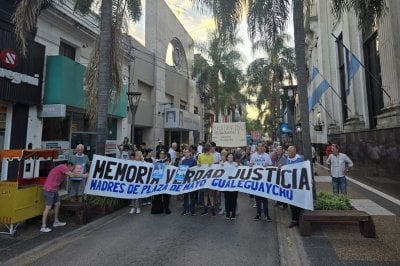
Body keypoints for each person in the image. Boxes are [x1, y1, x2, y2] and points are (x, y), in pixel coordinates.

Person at [40, 161, 88, 233]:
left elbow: (72, 174)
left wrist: (81, 174)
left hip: (54, 189)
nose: (72, 169)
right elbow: (72, 175)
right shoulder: (63, 167)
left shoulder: (64, 168)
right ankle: (43, 226)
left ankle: (56, 222)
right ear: (69, 165)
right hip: (49, 189)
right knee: (48, 207)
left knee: (57, 204)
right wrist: (83, 175)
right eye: (72, 168)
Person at [250, 142, 273, 221]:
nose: (260, 147)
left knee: (265, 199)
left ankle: (267, 215)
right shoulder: (253, 156)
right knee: (258, 199)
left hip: (265, 180)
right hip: (256, 180)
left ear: (263, 147)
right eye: (259, 146)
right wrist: (250, 165)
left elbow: (271, 165)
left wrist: (268, 165)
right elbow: (251, 164)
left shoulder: (267, 156)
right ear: (257, 147)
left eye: (261, 146)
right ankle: (258, 214)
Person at [285, 145, 304, 228]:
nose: (288, 152)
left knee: (298, 203)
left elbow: (304, 170)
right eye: (288, 151)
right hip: (290, 185)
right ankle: (294, 219)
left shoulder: (299, 159)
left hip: (298, 184)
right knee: (291, 203)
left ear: (293, 152)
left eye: (289, 151)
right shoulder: (287, 159)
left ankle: (299, 220)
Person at [197, 143, 216, 216]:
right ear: (208, 149)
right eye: (211, 148)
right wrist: (198, 164)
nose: (212, 149)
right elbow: (198, 163)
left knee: (211, 194)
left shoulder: (211, 156)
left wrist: (212, 165)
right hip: (203, 177)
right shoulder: (200, 155)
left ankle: (212, 208)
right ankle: (205, 209)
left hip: (210, 177)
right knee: (205, 193)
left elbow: (213, 166)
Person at [151, 150, 172, 214]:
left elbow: (171, 169)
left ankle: (166, 209)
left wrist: (168, 165)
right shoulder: (156, 161)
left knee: (166, 196)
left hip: (165, 181)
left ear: (165, 154)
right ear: (159, 154)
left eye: (163, 153)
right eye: (161, 153)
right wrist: (153, 164)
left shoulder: (168, 161)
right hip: (158, 182)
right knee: (157, 196)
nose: (162, 155)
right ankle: (158, 209)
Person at [180, 148, 197, 215]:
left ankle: (192, 210)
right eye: (185, 152)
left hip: (191, 181)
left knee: (192, 196)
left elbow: (196, 170)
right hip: (185, 180)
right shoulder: (183, 161)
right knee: (185, 196)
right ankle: (185, 209)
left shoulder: (193, 160)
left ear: (190, 153)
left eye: (187, 152)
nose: (186, 154)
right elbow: (181, 171)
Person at [223, 153, 239, 220]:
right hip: (226, 184)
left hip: (234, 185)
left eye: (231, 157)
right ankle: (227, 213)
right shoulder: (224, 164)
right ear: (227, 158)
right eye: (229, 157)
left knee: (234, 199)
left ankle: (233, 213)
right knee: (227, 199)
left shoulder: (236, 164)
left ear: (233, 158)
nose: (230, 158)